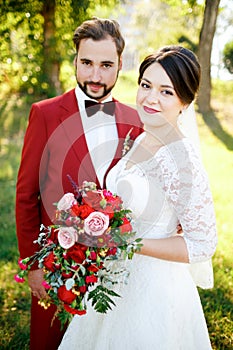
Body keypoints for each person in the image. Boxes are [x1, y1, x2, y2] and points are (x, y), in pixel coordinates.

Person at [58, 45, 217, 349]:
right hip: (115, 278)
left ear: (185, 101)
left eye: (166, 92)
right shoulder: (143, 137)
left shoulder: (181, 159)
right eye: (146, 85)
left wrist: (130, 243)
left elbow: (202, 243)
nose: (150, 98)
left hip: (155, 290)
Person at [15, 17, 143, 350]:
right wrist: (33, 264)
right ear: (75, 60)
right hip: (57, 264)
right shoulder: (44, 114)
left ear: (119, 66)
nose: (95, 76)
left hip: (115, 270)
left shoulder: (135, 121)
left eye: (106, 65)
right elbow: (27, 194)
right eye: (86, 63)